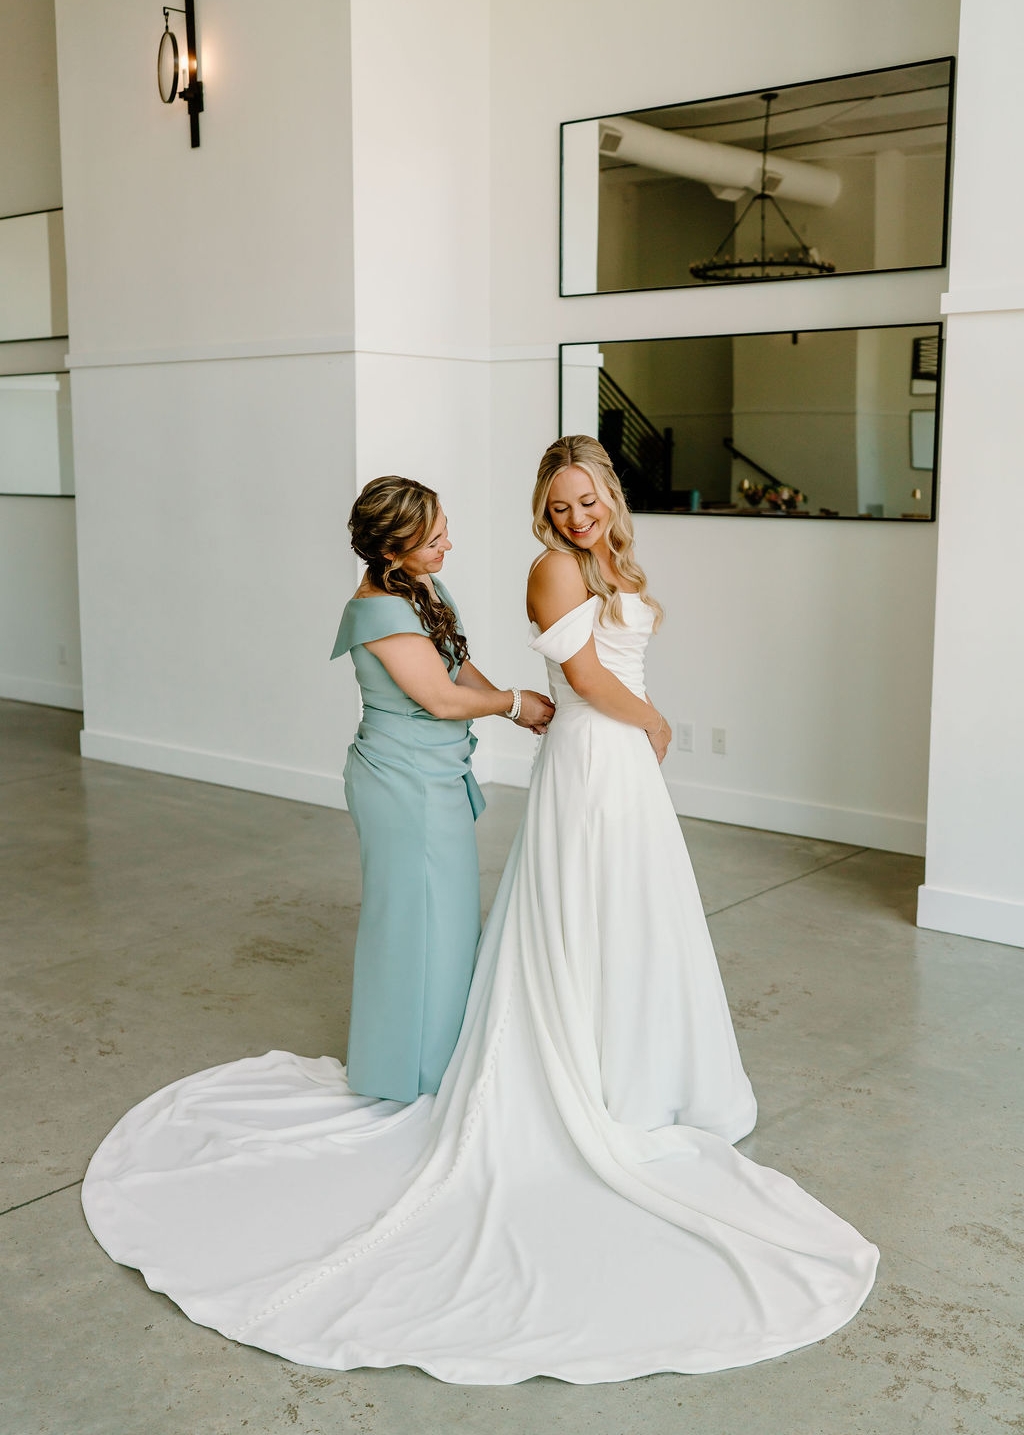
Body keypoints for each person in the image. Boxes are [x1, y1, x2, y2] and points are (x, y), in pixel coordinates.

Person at [82, 438, 878, 1385]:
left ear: (607, 496)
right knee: (472, 922)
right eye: (561, 501)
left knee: (578, 922)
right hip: (525, 757)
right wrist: (627, 717)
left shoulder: (542, 571)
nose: (575, 514)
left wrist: (577, 711)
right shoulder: (492, 580)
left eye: (588, 498)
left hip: (565, 761)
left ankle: (609, 1065)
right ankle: (433, 1071)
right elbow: (539, 683)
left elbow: (514, 666)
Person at [330, 475, 552, 1102]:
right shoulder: (377, 608)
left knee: (447, 924)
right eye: (433, 540)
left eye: (444, 530)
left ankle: (442, 1057)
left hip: (435, 775)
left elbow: (454, 664)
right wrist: (512, 705)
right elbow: (437, 696)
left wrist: (519, 700)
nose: (447, 545)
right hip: (402, 783)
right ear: (391, 548)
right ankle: (408, 1075)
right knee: (413, 927)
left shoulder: (420, 584)